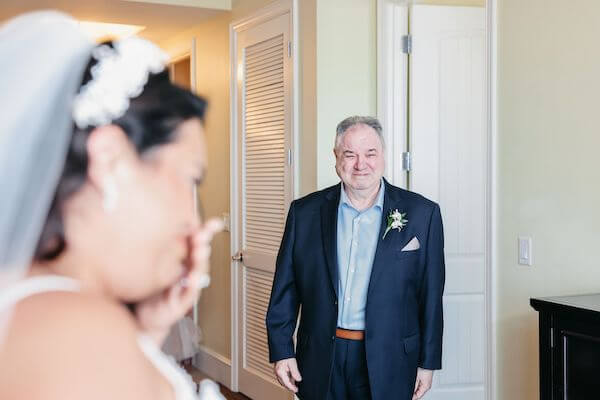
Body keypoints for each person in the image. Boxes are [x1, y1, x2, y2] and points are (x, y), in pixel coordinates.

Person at [0, 11, 224, 400]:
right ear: (108, 160)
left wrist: (145, 336)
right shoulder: (80, 332)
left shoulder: (38, 312)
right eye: (189, 181)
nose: (192, 221)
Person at [266, 116, 445, 400]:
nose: (361, 164)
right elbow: (286, 290)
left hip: (391, 358)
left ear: (383, 156)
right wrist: (282, 350)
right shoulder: (304, 213)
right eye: (350, 154)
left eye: (370, 153)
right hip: (321, 356)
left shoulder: (423, 215)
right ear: (336, 158)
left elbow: (431, 296)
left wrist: (428, 362)